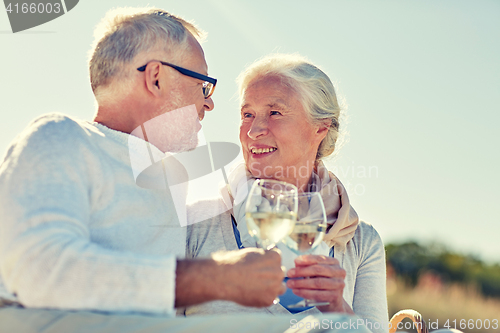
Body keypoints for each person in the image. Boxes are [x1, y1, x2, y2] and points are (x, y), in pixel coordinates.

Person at [0, 7, 300, 331]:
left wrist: (325, 192)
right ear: (156, 77)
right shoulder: (61, 137)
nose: (209, 103)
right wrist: (216, 277)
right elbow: (40, 271)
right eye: (203, 85)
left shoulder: (170, 184)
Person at [184, 54, 389, 333]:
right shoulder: (196, 223)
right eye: (247, 115)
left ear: (320, 127)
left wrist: (338, 309)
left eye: (275, 113)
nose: (254, 130)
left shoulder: (361, 244)